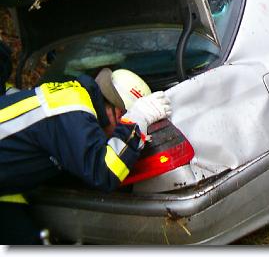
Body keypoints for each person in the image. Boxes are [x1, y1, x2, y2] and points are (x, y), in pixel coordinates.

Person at [0, 67, 171, 245]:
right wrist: (136, 122)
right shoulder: (73, 111)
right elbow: (104, 173)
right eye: (123, 121)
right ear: (118, 113)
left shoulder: (75, 101)